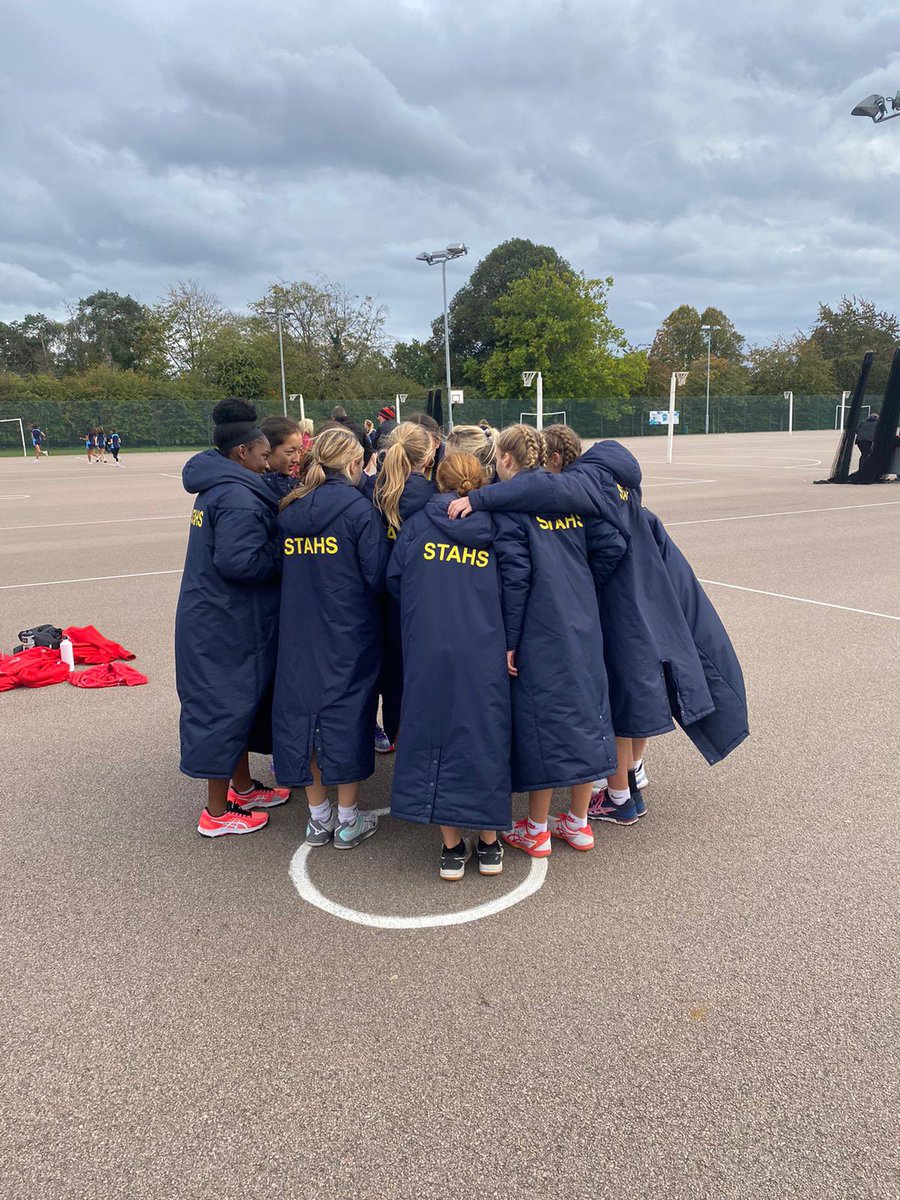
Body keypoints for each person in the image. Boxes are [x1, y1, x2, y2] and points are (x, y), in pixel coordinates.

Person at [448, 431, 748, 817]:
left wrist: (479, 499)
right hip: (646, 599)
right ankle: (631, 777)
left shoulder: (587, 483)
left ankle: (619, 795)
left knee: (621, 700)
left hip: (620, 607)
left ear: (556, 460)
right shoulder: (618, 486)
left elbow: (555, 501)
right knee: (635, 694)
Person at [386, 451, 530, 881]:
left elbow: (394, 580)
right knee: (484, 737)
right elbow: (517, 584)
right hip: (484, 649)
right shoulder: (499, 526)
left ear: (438, 480)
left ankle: (451, 847)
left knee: (433, 735)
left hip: (429, 647)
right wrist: (511, 640)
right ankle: (489, 842)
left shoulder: (417, 526)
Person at [490, 426, 622, 859]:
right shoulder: (572, 499)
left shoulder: (513, 507)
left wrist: (510, 639)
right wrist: (581, 586)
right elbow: (611, 543)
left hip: (540, 627)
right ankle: (578, 822)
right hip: (582, 620)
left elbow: (517, 577)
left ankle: (536, 829)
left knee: (543, 725)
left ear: (507, 460)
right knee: (586, 715)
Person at [175, 398, 289, 838]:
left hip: (218, 613)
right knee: (223, 708)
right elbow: (240, 563)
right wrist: (284, 553)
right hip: (223, 620)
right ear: (241, 452)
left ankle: (242, 788)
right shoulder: (238, 496)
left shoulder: (219, 484)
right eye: (263, 454)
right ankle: (217, 813)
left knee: (239, 705)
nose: (268, 461)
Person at [273, 426, 389, 850]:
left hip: (298, 629)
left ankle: (318, 816)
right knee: (348, 716)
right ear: (355, 464)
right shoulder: (359, 511)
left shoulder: (289, 509)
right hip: (348, 629)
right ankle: (347, 818)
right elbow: (376, 575)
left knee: (301, 715)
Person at [372, 422, 437, 749]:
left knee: (384, 672)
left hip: (376, 597)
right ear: (428, 457)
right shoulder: (434, 495)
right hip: (418, 598)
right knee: (413, 675)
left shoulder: (372, 490)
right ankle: (405, 739)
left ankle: (385, 731)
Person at [260, 415, 306, 496]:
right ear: (268, 450)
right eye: (290, 452)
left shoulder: (294, 486)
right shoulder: (255, 488)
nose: (297, 459)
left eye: (299, 451)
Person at [405, 411, 445, 481]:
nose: (419, 450)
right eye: (413, 443)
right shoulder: (395, 462)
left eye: (426, 442)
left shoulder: (448, 468)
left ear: (437, 442)